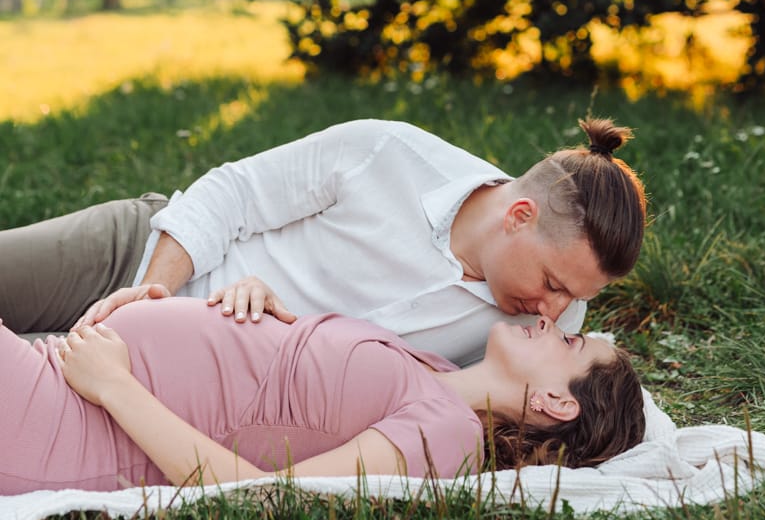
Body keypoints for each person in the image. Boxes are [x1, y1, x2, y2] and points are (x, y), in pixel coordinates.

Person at [0, 116, 647, 365]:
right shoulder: (385, 153)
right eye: (553, 284)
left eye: (574, 299)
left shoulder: (545, 326)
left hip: (193, 361)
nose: (555, 312)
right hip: (144, 255)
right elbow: (232, 194)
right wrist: (150, 297)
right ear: (518, 216)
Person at [0, 296, 646, 494]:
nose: (552, 326)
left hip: (57, 426)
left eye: (569, 345)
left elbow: (259, 498)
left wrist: (114, 385)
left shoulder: (445, 436)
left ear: (556, 405)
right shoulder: (430, 369)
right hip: (56, 378)